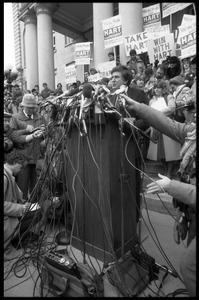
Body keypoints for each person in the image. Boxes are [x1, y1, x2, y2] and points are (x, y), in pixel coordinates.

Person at [120, 93, 196, 297]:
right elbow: (167, 124)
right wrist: (138, 107)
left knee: (189, 267)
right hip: (193, 212)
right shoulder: (193, 132)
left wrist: (171, 185)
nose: (191, 113)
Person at [4, 149, 51, 260]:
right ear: (16, 162)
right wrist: (21, 208)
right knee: (37, 213)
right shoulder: (5, 177)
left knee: (38, 211)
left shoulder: (8, 174)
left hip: (11, 213)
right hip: (7, 218)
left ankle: (14, 238)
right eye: (22, 167)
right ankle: (11, 239)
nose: (22, 171)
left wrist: (24, 204)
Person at [9, 94, 48, 201]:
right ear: (23, 106)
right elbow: (12, 136)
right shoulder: (15, 118)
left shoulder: (40, 117)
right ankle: (22, 213)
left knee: (37, 188)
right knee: (22, 189)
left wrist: (44, 134)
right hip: (22, 159)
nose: (31, 109)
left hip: (37, 157)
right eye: (29, 107)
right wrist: (28, 134)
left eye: (33, 107)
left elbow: (49, 132)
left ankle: (35, 212)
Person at [146, 80, 181, 178]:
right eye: (155, 87)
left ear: (163, 89)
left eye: (159, 87)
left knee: (170, 152)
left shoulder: (169, 97)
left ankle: (169, 171)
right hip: (156, 126)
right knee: (159, 152)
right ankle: (165, 170)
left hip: (167, 125)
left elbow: (171, 108)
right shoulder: (151, 100)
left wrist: (157, 112)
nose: (157, 89)